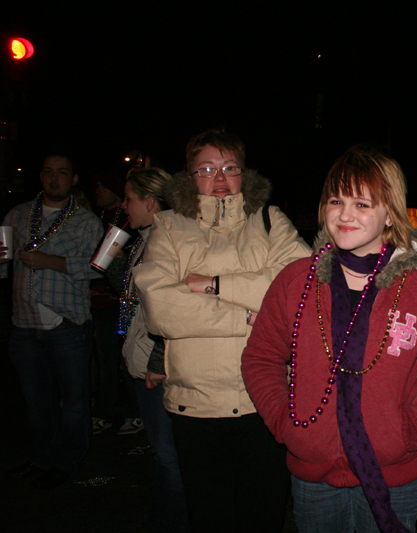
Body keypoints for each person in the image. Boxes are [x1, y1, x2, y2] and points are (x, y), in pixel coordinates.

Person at [241, 145, 417, 532]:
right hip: (314, 476)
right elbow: (261, 357)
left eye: (363, 204)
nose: (345, 214)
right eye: (336, 199)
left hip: (396, 475)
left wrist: (410, 430)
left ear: (389, 214)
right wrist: (287, 423)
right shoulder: (296, 280)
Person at [134, 130, 310, 532]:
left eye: (230, 168)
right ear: (188, 176)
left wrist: (213, 285)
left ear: (243, 175)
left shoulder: (270, 219)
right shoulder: (169, 226)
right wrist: (255, 316)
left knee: (262, 516)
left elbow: (299, 286)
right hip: (195, 404)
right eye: (207, 168)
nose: (219, 178)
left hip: (265, 398)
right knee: (208, 518)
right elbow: (161, 308)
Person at [1, 153, 104, 489]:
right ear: (40, 176)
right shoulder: (17, 215)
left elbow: (95, 268)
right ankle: (41, 458)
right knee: (37, 402)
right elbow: (4, 265)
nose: (54, 179)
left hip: (68, 324)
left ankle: (67, 462)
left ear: (74, 179)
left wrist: (48, 261)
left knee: (74, 401)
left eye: (62, 173)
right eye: (48, 172)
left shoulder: (86, 221)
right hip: (25, 323)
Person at [104, 167, 188, 531]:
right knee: (161, 452)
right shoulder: (144, 237)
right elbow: (131, 294)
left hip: (157, 368)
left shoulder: (166, 240)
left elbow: (172, 306)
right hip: (140, 359)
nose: (124, 205)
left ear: (151, 202)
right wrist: (112, 256)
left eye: (130, 199)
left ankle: (171, 523)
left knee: (169, 456)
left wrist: (157, 360)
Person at [91, 173, 142, 436]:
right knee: (108, 362)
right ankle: (103, 411)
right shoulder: (95, 217)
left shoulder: (141, 229)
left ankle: (134, 413)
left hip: (127, 309)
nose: (123, 204)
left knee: (129, 362)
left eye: (128, 198)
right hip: (103, 305)